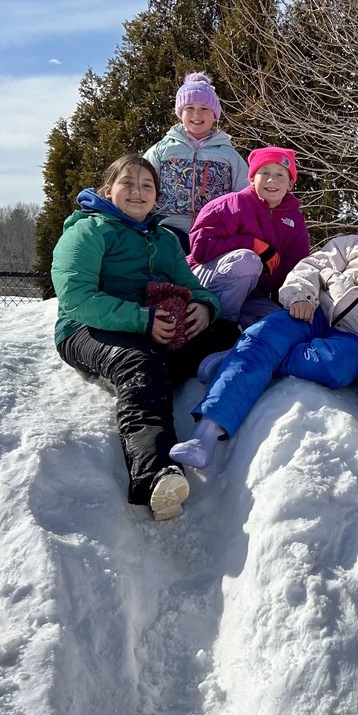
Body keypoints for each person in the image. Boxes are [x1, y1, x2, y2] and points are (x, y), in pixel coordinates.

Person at [169, 189, 358, 471]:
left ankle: (250, 355)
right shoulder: (356, 243)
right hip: (314, 311)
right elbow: (311, 265)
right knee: (265, 336)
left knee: (331, 366)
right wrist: (300, 295)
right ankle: (205, 433)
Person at [50, 155, 240, 520]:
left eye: (147, 186)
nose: (137, 192)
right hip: (87, 327)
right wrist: (141, 320)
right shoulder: (88, 231)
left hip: (151, 325)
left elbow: (192, 287)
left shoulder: (165, 238)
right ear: (109, 190)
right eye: (128, 183)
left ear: (156, 198)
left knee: (228, 333)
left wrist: (204, 307)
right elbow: (76, 297)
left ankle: (167, 372)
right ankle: (155, 473)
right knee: (139, 363)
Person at [185, 147, 310, 328]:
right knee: (247, 260)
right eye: (264, 172)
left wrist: (296, 300)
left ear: (290, 184)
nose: (271, 179)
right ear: (251, 178)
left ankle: (235, 339)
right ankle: (220, 328)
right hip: (202, 284)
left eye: (280, 175)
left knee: (280, 321)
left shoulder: (294, 220)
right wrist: (251, 244)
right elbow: (200, 248)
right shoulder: (232, 204)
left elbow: (295, 268)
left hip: (250, 296)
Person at [143, 73, 250, 251]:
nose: (197, 114)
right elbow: (142, 182)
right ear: (180, 113)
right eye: (190, 108)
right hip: (168, 227)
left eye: (204, 109)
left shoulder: (227, 153)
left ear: (215, 115)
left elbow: (244, 193)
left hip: (214, 228)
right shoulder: (162, 149)